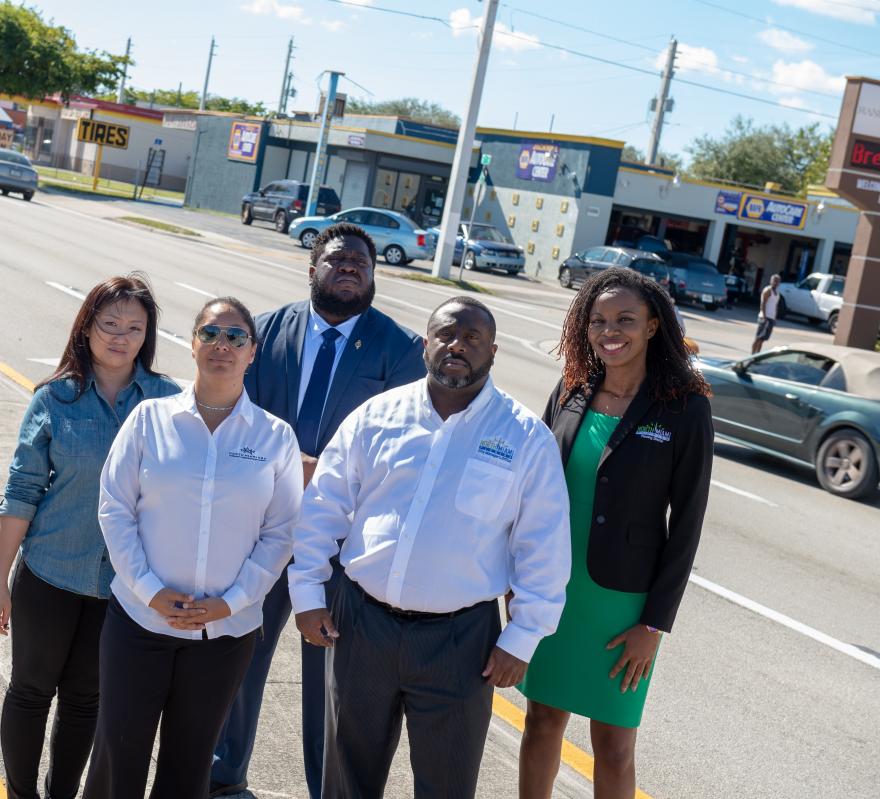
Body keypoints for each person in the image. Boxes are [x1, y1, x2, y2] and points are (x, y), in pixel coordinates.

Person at [289, 296, 572, 798]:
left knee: (446, 784)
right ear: (426, 344)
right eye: (446, 334)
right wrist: (308, 594)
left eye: (472, 338)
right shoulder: (378, 415)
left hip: (460, 642)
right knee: (346, 779)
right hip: (362, 625)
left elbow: (544, 547)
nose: (457, 345)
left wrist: (523, 637)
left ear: (493, 351)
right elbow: (323, 505)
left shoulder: (525, 436)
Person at [211, 223, 425, 798]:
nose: (351, 266)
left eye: (362, 261)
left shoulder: (401, 350)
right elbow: (236, 412)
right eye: (338, 258)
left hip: (338, 542)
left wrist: (319, 470)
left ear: (374, 276)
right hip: (262, 524)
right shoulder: (269, 331)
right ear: (313, 270)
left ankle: (325, 788)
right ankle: (222, 775)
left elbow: (406, 450)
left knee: (327, 675)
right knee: (240, 654)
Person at [85, 297, 303, 799]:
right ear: (192, 344)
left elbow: (281, 531)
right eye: (210, 334)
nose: (221, 345)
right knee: (119, 756)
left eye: (235, 337)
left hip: (224, 633)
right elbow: (115, 508)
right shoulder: (150, 420)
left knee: (189, 766)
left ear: (253, 352)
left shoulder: (275, 438)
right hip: (139, 623)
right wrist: (149, 591)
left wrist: (233, 601)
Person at [518, 267, 714, 799]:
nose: (612, 330)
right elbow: (532, 486)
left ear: (653, 326)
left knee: (614, 745)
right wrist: (517, 579)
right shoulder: (572, 389)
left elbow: (688, 524)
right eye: (599, 320)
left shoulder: (685, 407)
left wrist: (653, 625)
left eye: (626, 319)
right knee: (540, 724)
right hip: (554, 590)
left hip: (623, 606)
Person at [0, 275, 181, 799]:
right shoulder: (55, 399)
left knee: (84, 700)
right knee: (31, 692)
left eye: (134, 328)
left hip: (122, 585)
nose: (120, 337)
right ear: (87, 328)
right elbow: (21, 492)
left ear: (148, 336)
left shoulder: (169, 404)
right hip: (51, 571)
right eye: (109, 324)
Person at [752, 273, 782, 354]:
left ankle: (757, 355)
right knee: (758, 337)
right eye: (774, 281)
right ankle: (752, 355)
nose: (776, 282)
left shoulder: (777, 293)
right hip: (765, 317)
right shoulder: (767, 290)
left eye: (778, 281)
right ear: (771, 281)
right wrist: (764, 316)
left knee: (763, 339)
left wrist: (774, 318)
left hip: (771, 318)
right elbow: (763, 303)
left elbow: (775, 306)